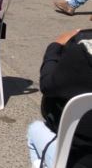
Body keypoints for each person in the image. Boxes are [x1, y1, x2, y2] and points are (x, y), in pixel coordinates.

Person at [27, 29, 92, 168]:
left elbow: (48, 85)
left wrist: (54, 46)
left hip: (76, 157)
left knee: (34, 129)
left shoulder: (82, 47)